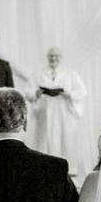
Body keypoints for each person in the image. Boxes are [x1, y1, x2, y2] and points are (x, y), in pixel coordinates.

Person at [25, 47, 87, 175]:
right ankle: (45, 168)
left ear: (61, 57)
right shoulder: (38, 73)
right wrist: (36, 93)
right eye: (51, 56)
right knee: (44, 138)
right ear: (47, 57)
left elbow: (82, 91)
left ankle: (68, 168)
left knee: (66, 138)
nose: (54, 58)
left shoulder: (71, 73)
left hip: (64, 112)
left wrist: (69, 94)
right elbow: (28, 91)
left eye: (56, 56)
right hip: (45, 112)